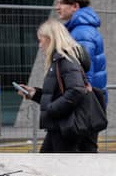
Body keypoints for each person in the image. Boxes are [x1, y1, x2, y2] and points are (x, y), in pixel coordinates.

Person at [16, 19, 95, 153]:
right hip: (60, 126)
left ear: (51, 39)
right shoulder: (59, 61)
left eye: (41, 40)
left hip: (66, 127)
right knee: (48, 164)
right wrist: (34, 94)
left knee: (57, 168)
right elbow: (58, 94)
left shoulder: (65, 61)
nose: (40, 46)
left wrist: (52, 109)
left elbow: (76, 90)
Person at [55, 0, 107, 90]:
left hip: (84, 100)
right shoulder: (80, 29)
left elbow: (84, 71)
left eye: (61, 3)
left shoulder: (81, 32)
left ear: (75, 6)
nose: (57, 8)